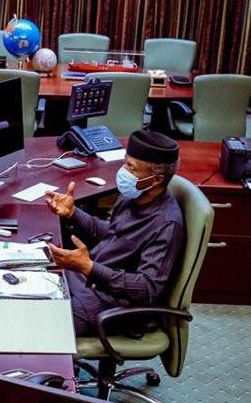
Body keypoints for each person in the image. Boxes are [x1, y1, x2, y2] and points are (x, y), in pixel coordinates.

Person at [45, 130, 185, 336]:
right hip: (90, 280)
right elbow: (113, 234)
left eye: (131, 167)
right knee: (29, 291)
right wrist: (73, 213)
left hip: (115, 305)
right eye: (124, 163)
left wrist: (90, 267)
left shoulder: (166, 223)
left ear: (156, 180)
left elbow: (147, 288)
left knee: (40, 325)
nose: (123, 172)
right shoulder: (133, 196)